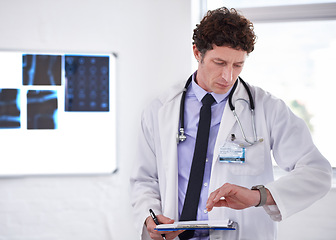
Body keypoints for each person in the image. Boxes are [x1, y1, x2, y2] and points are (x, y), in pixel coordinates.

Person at [130, 7, 332, 240]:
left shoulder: (268, 108)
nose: (228, 76)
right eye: (219, 62)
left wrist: (259, 196)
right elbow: (144, 179)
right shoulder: (160, 109)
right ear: (197, 52)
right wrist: (150, 217)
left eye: (238, 65)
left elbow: (318, 172)